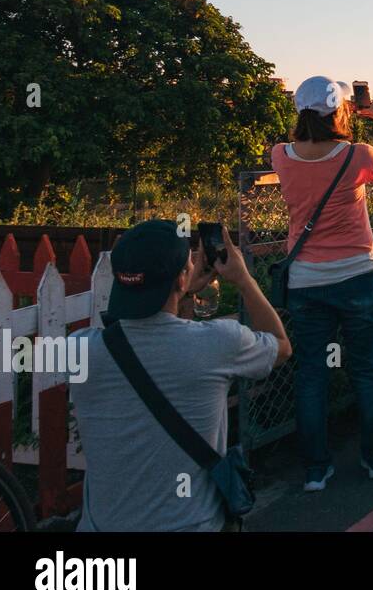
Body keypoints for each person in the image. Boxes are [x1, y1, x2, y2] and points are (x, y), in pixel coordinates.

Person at [71, 221, 291, 531]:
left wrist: (178, 286)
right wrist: (243, 279)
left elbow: (141, 337)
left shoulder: (79, 350)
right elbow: (281, 347)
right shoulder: (219, 344)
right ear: (181, 279)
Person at [273, 76, 373, 491]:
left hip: (307, 281)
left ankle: (315, 470)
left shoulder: (281, 156)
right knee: (367, 369)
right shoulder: (357, 156)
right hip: (359, 275)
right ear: (339, 110)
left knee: (312, 374)